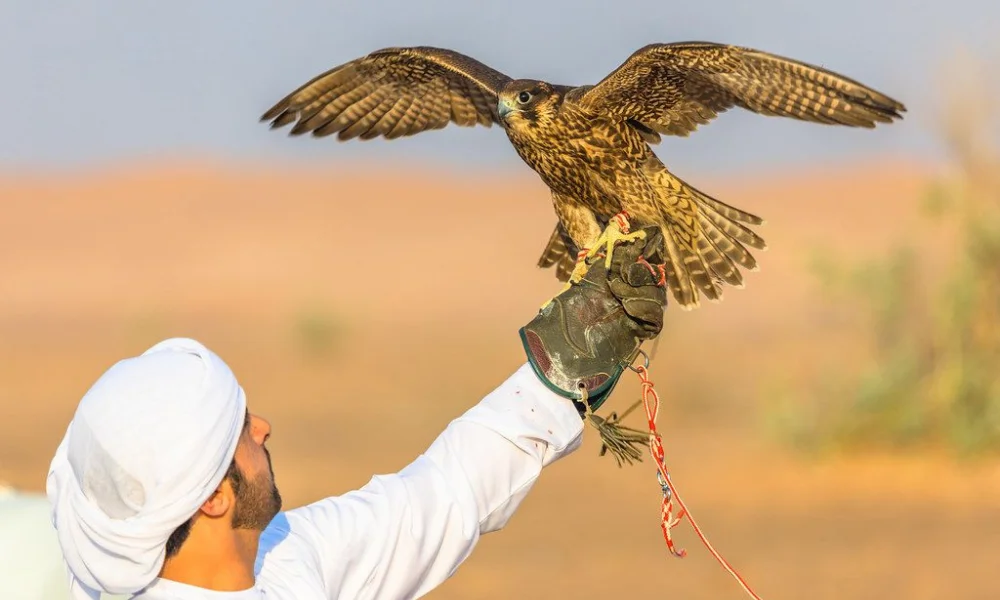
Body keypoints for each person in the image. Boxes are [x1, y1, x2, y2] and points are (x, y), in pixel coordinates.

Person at [46, 226, 669, 600]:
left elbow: (440, 497)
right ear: (212, 498)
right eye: (240, 432)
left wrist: (558, 376)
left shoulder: (280, 556)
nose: (263, 428)